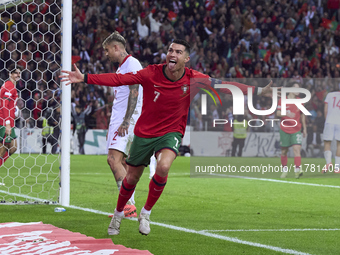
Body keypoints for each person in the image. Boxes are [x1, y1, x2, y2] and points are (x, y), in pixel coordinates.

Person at [60, 39, 275, 236]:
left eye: (178, 52)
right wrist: (85, 78)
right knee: (132, 178)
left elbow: (225, 86)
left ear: (186, 59)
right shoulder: (150, 73)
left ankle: (146, 212)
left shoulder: (193, 78)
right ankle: (118, 214)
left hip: (171, 133)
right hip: (145, 133)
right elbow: (119, 79)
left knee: (163, 167)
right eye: (170, 50)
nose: (172, 54)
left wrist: (256, 92)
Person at [277, 82, 307, 179]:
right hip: (284, 129)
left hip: (296, 129)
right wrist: (286, 113)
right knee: (284, 152)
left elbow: (302, 115)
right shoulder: (283, 100)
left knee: (296, 149)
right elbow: (278, 113)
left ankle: (297, 171)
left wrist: (305, 128)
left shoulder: (300, 101)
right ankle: (284, 171)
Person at [0, 64, 22, 168]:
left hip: (9, 121)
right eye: (15, 73)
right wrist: (7, 124)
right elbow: (4, 104)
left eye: (19, 73)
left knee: (12, 148)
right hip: (4, 121)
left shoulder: (11, 86)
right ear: (10, 74)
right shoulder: (9, 86)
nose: (18, 75)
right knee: (3, 147)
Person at [322, 90, 340, 173]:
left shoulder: (330, 94)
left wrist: (327, 120)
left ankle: (328, 162)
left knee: (327, 142)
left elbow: (325, 110)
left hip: (330, 121)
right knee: (339, 144)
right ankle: (337, 168)